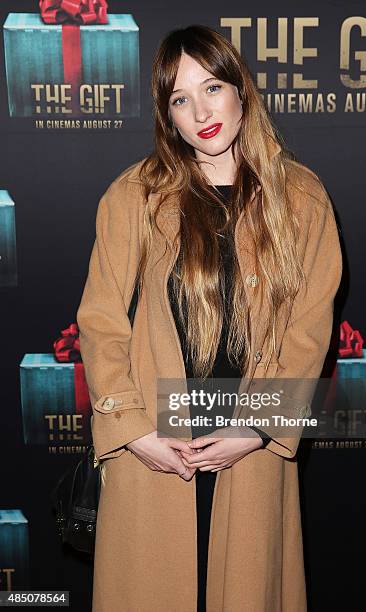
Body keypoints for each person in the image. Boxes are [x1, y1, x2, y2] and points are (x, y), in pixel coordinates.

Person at [76, 24, 343, 612]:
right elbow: (100, 321)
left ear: (241, 90)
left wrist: (256, 428)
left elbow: (309, 329)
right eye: (180, 98)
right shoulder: (133, 196)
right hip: (155, 448)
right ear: (167, 115)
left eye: (212, 87)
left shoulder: (302, 199)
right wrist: (133, 430)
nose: (201, 111)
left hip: (249, 446)